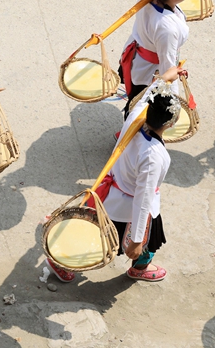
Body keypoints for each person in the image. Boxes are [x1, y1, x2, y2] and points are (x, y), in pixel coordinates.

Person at [48, 67, 182, 284]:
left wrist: (165, 79)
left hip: (113, 191)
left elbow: (147, 96)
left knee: (94, 231)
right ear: (170, 124)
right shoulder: (153, 156)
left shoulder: (136, 118)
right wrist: (137, 239)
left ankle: (64, 260)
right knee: (133, 240)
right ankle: (62, 261)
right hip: (128, 206)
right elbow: (143, 198)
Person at [118, 0, 215, 115]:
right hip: (150, 71)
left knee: (137, 101)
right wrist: (173, 104)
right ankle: (130, 137)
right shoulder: (166, 29)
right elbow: (167, 69)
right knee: (142, 107)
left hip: (138, 56)